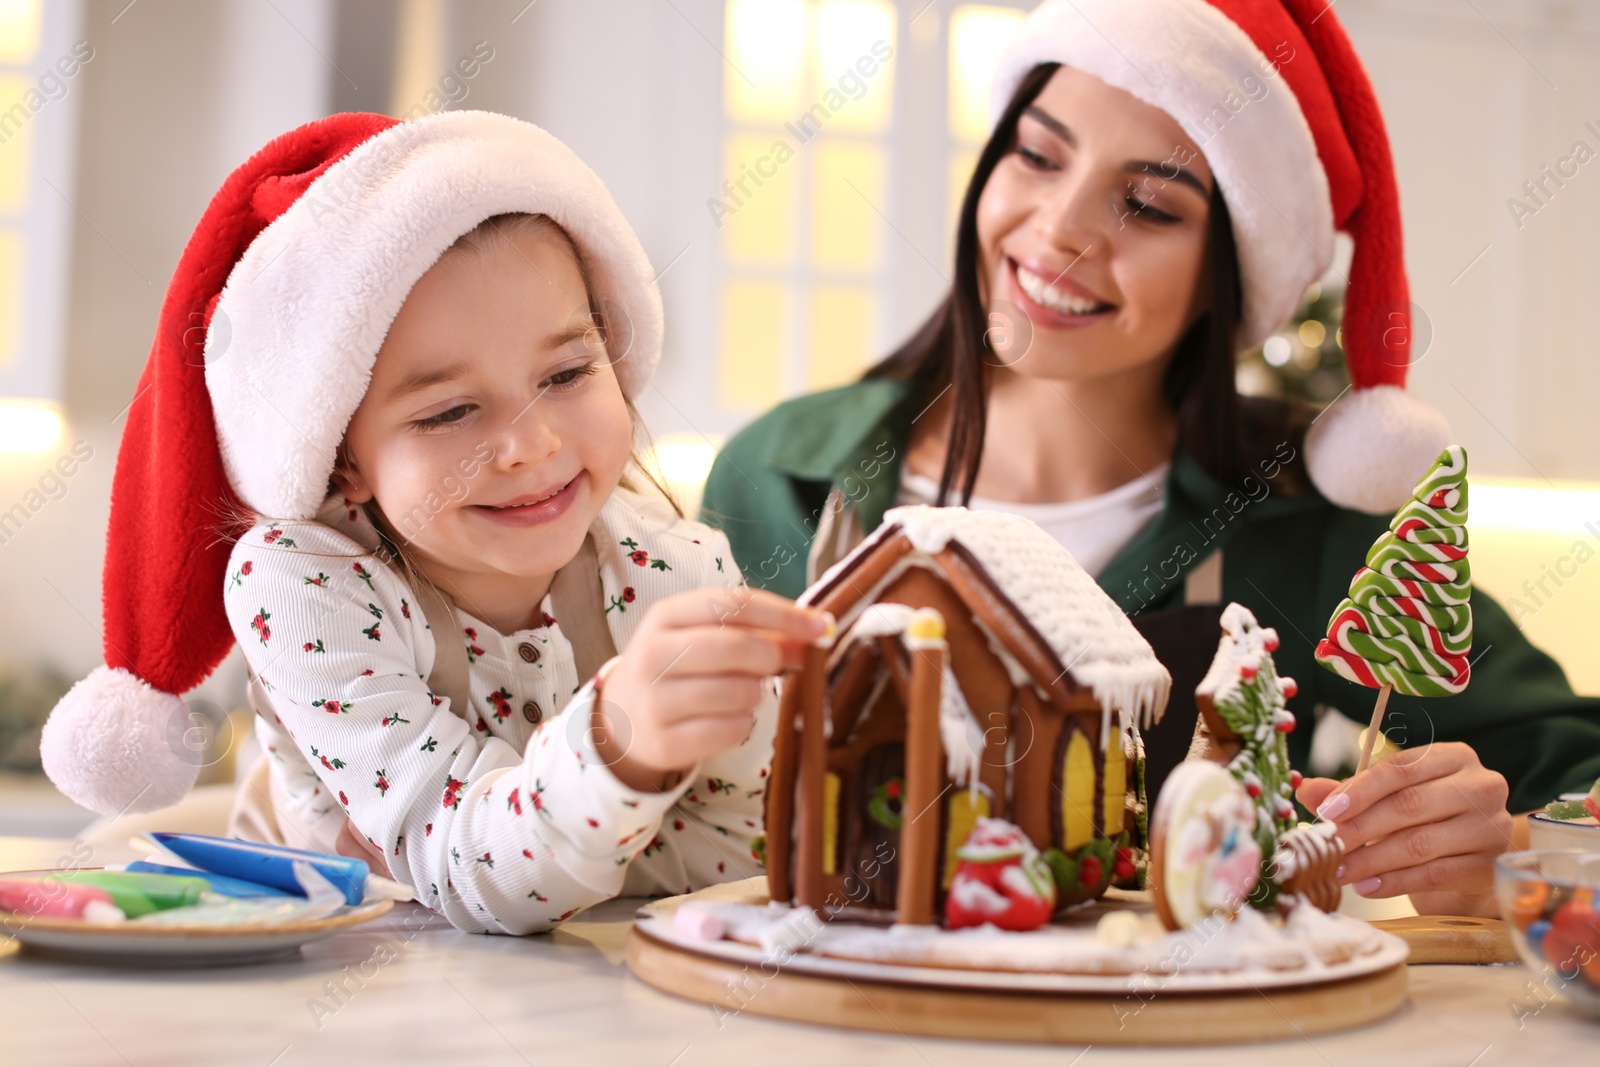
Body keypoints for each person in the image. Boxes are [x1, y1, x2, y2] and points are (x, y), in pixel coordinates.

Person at [700, 0, 1600, 919]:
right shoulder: (778, 481)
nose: (1059, 230)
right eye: (1039, 154)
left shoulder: (1306, 523)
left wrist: (1508, 847)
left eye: (1147, 205)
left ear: (1229, 274)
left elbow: (1580, 777)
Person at [39, 111, 826, 934]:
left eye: (564, 372)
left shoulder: (678, 571)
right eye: (451, 411)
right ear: (340, 459)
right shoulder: (304, 586)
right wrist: (620, 747)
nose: (531, 443)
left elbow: (762, 849)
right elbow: (473, 874)